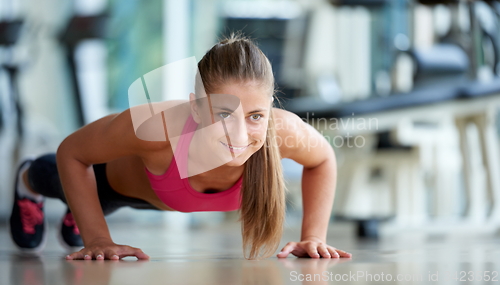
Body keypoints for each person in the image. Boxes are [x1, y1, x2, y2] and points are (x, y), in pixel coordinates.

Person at [9, 34, 352, 261]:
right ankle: (31, 183)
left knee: (84, 208)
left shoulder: (282, 131)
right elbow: (73, 151)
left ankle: (81, 211)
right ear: (196, 108)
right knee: (55, 178)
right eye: (222, 114)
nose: (239, 133)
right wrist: (97, 237)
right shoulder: (155, 128)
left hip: (160, 199)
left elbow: (323, 159)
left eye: (256, 115)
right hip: (107, 184)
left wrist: (313, 236)